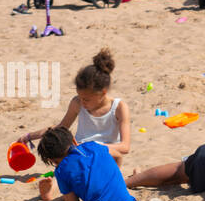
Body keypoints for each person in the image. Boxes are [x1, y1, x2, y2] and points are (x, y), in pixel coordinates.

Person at [19, 49, 131, 187]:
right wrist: (30, 136)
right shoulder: (77, 103)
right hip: (79, 153)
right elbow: (60, 128)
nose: (82, 102)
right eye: (80, 97)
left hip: (105, 155)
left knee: (90, 176)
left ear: (103, 92)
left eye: (86, 99)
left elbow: (125, 147)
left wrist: (92, 147)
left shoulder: (119, 107)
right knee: (66, 171)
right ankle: (51, 189)